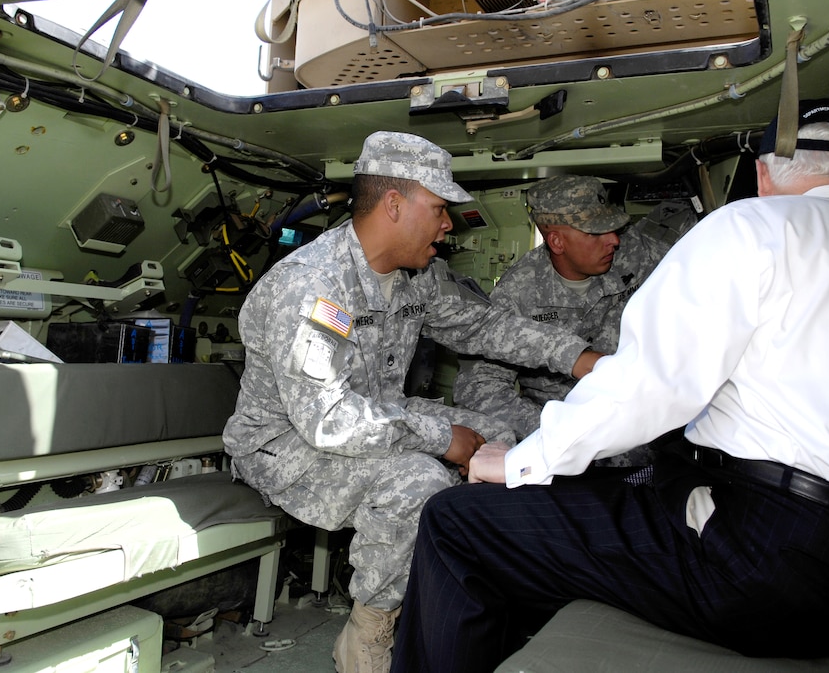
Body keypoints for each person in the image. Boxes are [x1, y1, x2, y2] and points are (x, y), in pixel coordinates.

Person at [390, 99, 829, 672]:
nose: (614, 241)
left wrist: (525, 461)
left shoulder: (752, 228)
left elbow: (649, 382)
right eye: (594, 232)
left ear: (764, 174)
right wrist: (534, 440)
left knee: (456, 522)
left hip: (764, 558)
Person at [222, 131, 601, 673]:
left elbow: (481, 325)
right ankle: (368, 635)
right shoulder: (312, 286)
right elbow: (328, 420)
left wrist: (582, 360)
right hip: (282, 446)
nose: (448, 226)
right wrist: (441, 439)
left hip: (373, 415)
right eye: (440, 209)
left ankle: (456, 592)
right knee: (415, 480)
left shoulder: (414, 276)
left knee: (503, 438)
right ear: (394, 205)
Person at [454, 174, 696, 466]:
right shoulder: (518, 293)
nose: (614, 240)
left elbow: (692, 291)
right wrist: (558, 431)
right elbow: (479, 388)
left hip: (652, 417)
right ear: (557, 241)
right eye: (596, 233)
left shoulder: (636, 251)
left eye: (614, 228)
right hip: (573, 440)